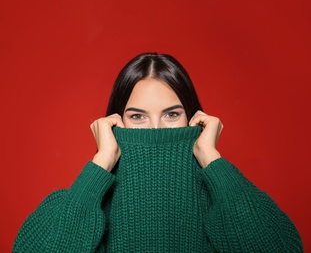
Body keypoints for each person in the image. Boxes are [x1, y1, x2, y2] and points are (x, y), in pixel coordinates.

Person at [13, 53, 303, 252]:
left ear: (192, 117)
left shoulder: (221, 199)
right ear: (116, 121)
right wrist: (101, 162)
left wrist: (212, 159)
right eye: (137, 117)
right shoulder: (88, 202)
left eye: (171, 114)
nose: (155, 130)